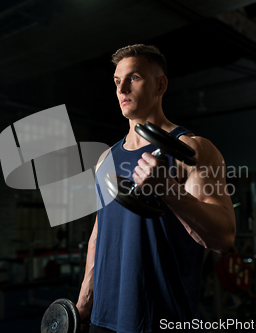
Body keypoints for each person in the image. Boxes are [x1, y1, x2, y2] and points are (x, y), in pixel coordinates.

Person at [76, 44, 236, 333]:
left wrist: (169, 189)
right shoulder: (105, 159)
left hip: (160, 318)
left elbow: (223, 237)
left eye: (134, 77)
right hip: (103, 318)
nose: (122, 88)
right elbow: (101, 232)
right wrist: (85, 297)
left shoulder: (193, 149)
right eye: (116, 81)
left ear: (160, 84)